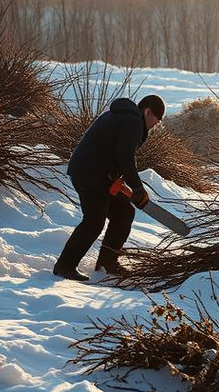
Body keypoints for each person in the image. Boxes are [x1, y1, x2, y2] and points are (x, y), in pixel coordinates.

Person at [53, 95, 165, 281]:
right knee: (94, 222)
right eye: (157, 120)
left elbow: (113, 151)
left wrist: (117, 179)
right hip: (90, 175)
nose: (156, 125)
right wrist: (137, 188)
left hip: (93, 174)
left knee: (123, 212)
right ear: (147, 111)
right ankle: (64, 266)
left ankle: (107, 262)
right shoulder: (133, 121)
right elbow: (124, 155)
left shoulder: (123, 117)